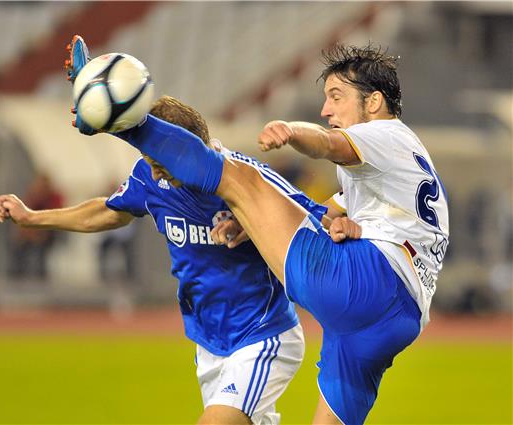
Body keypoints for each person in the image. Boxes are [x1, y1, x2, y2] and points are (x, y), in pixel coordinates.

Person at [81, 43, 449, 424]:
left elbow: (326, 143)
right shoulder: (407, 156)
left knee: (240, 178)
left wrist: (291, 131)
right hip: (400, 316)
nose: (326, 110)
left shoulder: (382, 132)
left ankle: (123, 121)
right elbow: (323, 213)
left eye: (337, 97)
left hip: (368, 283)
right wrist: (260, 220)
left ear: (374, 102)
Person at [0, 91, 361, 423]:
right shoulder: (151, 177)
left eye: (161, 159)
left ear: (189, 151)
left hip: (263, 335)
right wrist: (33, 217)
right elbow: (109, 211)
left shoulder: (243, 177)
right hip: (208, 342)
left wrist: (257, 220)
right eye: (149, 157)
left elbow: (317, 213)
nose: (155, 168)